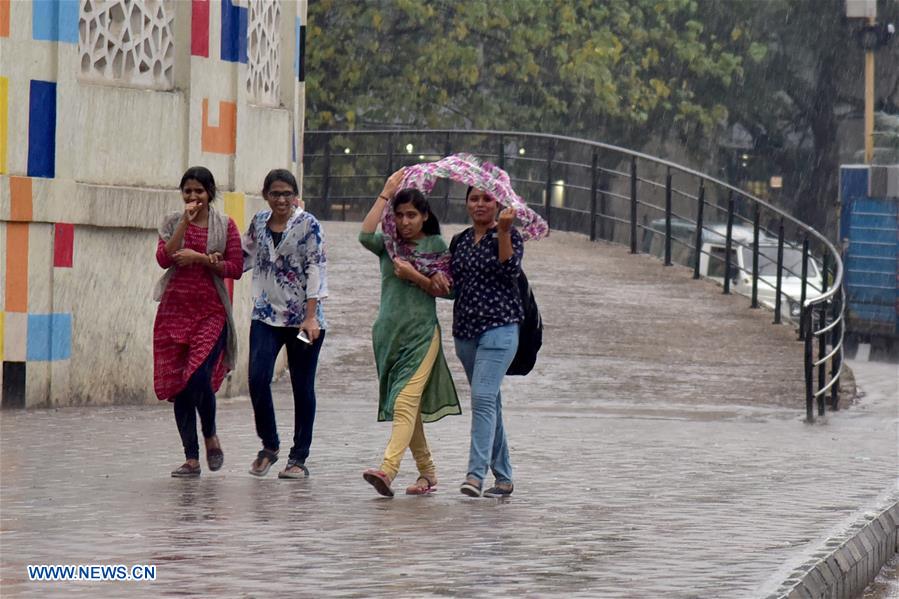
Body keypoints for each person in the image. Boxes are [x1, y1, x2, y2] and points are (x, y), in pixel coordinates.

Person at [359, 169, 461, 497]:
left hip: (421, 335)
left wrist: (414, 274)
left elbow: (447, 292)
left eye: (412, 215)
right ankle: (428, 473)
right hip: (388, 335)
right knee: (408, 406)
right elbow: (364, 234)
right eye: (400, 215)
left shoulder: (436, 245)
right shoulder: (388, 245)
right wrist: (386, 191)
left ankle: (387, 470)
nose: (405, 222)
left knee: (404, 401)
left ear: (425, 216)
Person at [153, 166, 243, 478]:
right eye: (188, 191)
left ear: (210, 193)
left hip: (211, 313)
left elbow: (235, 267)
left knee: (197, 379)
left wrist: (201, 259)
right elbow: (165, 258)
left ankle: (211, 435)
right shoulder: (170, 223)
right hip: (174, 313)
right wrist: (182, 225)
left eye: (199, 192)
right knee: (180, 386)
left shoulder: (225, 226)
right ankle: (191, 458)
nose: (193, 197)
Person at [243, 169, 327, 479]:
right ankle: (270, 446)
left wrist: (311, 316)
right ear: (266, 194)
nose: (281, 199)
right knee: (256, 377)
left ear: (295, 195)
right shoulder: (259, 223)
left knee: (302, 387)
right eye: (275, 193)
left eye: (287, 193)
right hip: (266, 315)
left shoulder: (309, 224)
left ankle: (299, 457)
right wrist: (209, 261)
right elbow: (243, 256)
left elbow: (316, 269)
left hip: (303, 320)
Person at [451, 186, 523, 498]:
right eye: (474, 198)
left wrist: (504, 231)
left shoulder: (509, 235)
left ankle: (474, 474)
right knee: (489, 401)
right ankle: (504, 477)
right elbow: (453, 285)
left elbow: (510, 271)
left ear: (498, 203)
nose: (480, 204)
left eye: (487, 199)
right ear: (466, 203)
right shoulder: (461, 240)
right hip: (466, 332)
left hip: (500, 329)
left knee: (481, 400)